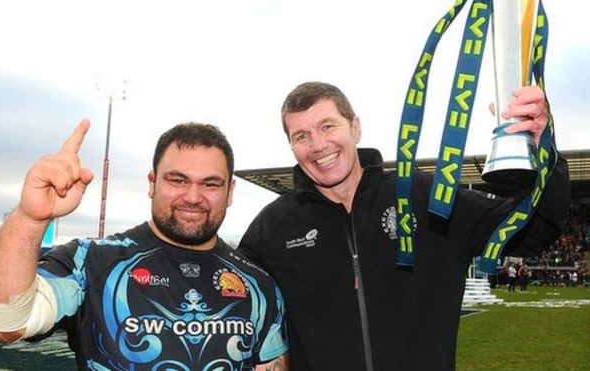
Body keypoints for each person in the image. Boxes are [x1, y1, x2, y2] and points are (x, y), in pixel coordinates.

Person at [238, 81, 570, 370]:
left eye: (327, 126)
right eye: (301, 136)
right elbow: (227, 300)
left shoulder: (424, 198)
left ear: (355, 127)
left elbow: (532, 229)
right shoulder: (273, 229)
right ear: (292, 147)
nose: (318, 145)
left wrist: (543, 147)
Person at [0, 121, 289, 370]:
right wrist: (31, 218)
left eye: (210, 184)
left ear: (230, 192)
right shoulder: (90, 261)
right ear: (152, 183)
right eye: (177, 180)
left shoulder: (257, 283)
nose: (193, 196)